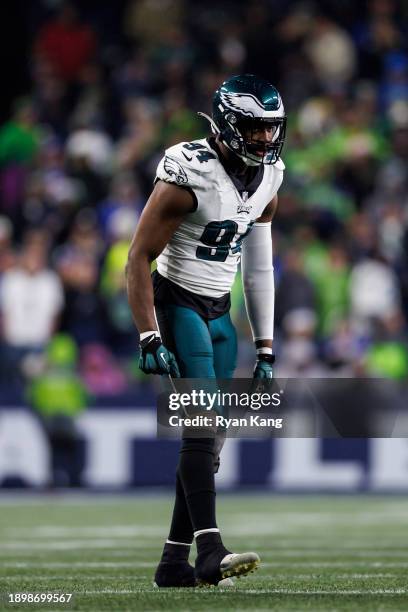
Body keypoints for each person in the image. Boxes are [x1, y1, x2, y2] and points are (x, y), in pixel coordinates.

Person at [126, 74, 286, 587]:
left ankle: (174, 561)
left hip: (221, 311)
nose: (264, 139)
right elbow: (138, 256)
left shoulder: (270, 176)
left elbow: (259, 266)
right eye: (253, 128)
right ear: (227, 123)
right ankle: (210, 550)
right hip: (178, 303)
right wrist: (148, 333)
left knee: (209, 439)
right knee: (200, 425)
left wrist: (266, 347)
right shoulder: (186, 171)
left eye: (270, 129)